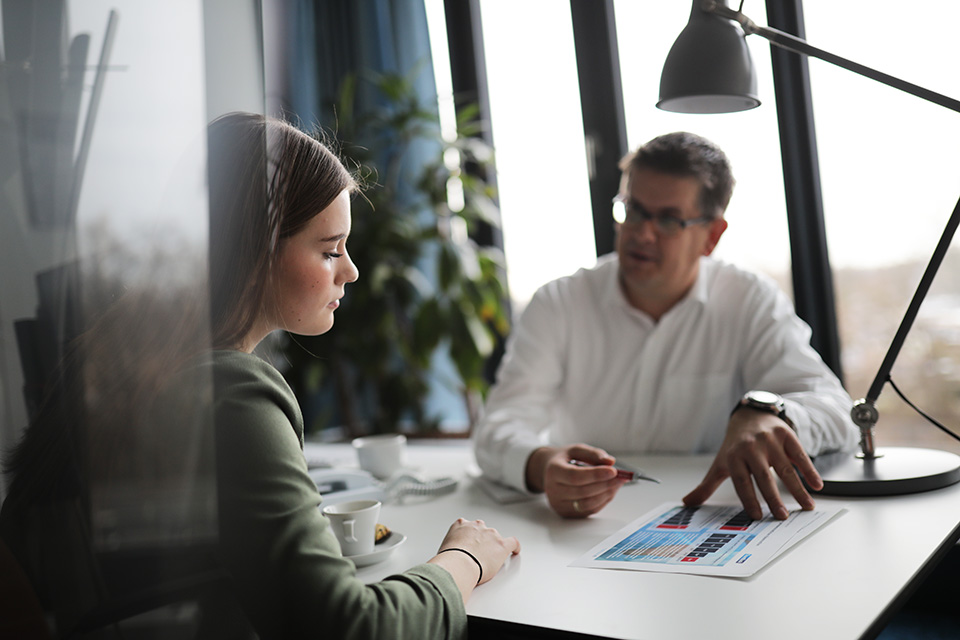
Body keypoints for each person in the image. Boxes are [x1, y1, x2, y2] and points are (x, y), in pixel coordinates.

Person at [1, 112, 519, 639]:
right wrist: (462, 561)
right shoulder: (230, 396)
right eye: (329, 250)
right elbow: (355, 630)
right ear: (254, 254)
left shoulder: (122, 361)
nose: (351, 271)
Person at [473, 131, 858, 522]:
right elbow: (497, 429)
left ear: (711, 236)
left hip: (709, 523)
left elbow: (839, 412)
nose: (641, 233)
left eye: (669, 220)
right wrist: (541, 464)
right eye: (633, 210)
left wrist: (772, 414)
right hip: (582, 528)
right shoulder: (559, 302)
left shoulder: (748, 299)